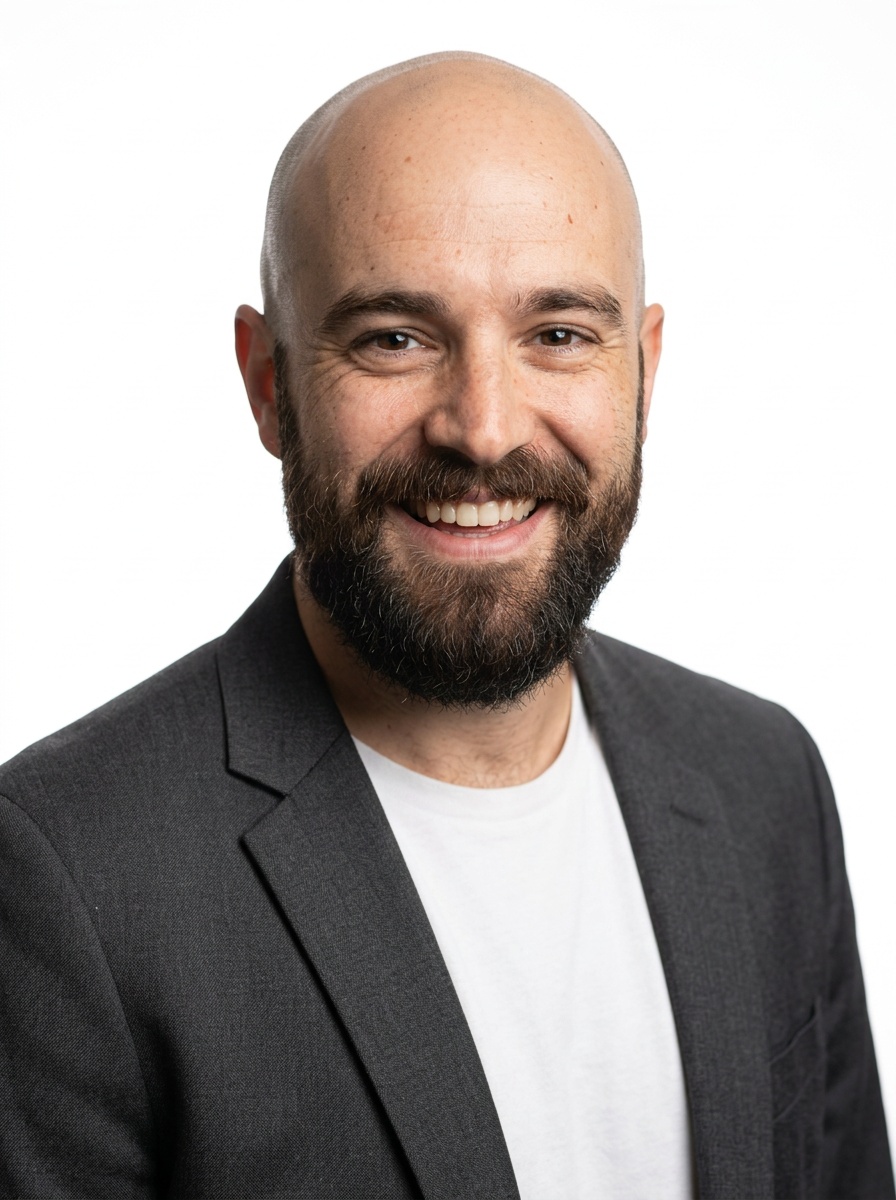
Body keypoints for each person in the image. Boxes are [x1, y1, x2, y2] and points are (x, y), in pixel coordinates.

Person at [0, 50, 891, 1200]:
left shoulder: (764, 782)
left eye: (557, 334)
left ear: (643, 372)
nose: (482, 428)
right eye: (393, 337)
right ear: (268, 383)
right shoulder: (67, 874)